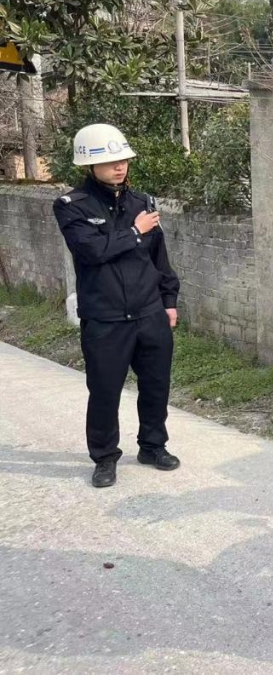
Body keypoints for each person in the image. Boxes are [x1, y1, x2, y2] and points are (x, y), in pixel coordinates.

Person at [52, 123, 181, 489]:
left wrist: (168, 301)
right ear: (89, 165)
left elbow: (159, 258)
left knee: (156, 386)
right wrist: (135, 232)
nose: (119, 167)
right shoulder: (71, 206)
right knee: (105, 392)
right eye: (110, 162)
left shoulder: (142, 203)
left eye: (123, 160)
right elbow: (92, 251)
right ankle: (105, 457)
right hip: (105, 319)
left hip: (149, 313)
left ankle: (153, 446)